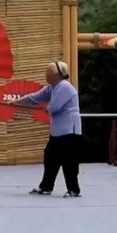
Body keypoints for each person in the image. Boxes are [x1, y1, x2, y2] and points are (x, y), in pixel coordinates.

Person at [9, 61, 82, 198]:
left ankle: (74, 190)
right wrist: (18, 102)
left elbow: (54, 107)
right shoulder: (52, 88)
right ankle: (46, 187)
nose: (46, 75)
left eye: (48, 73)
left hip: (70, 131)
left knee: (69, 162)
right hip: (58, 131)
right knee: (50, 158)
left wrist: (46, 108)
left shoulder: (64, 87)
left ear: (57, 75)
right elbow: (36, 97)